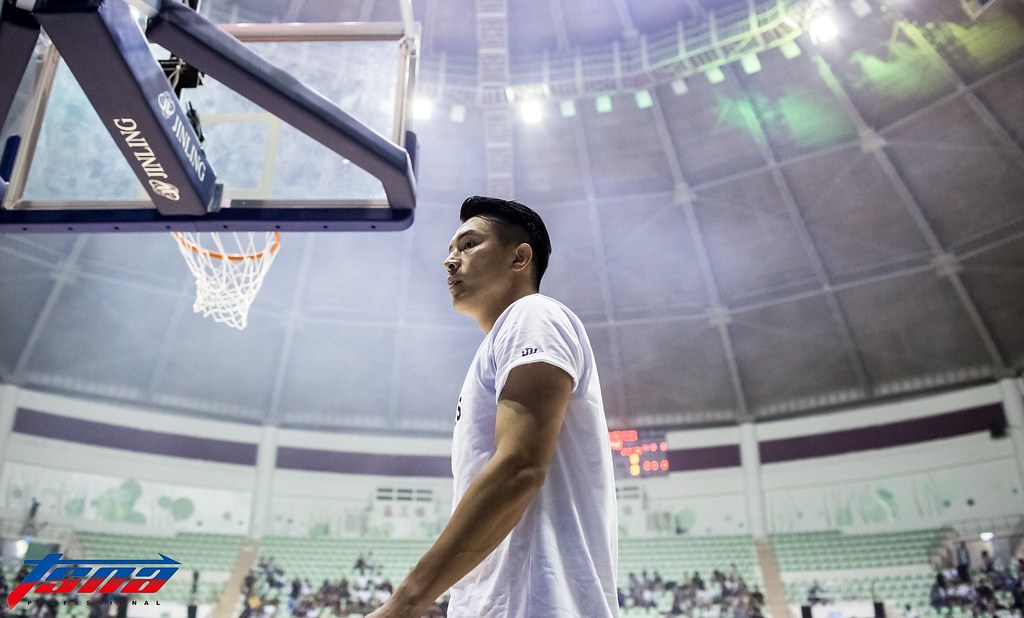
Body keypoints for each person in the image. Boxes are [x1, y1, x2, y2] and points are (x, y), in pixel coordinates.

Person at [368, 196, 619, 617]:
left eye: (468, 246)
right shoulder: (499, 343)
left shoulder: (532, 314)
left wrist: (404, 602)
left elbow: (519, 468)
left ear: (520, 257)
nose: (450, 261)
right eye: (450, 251)